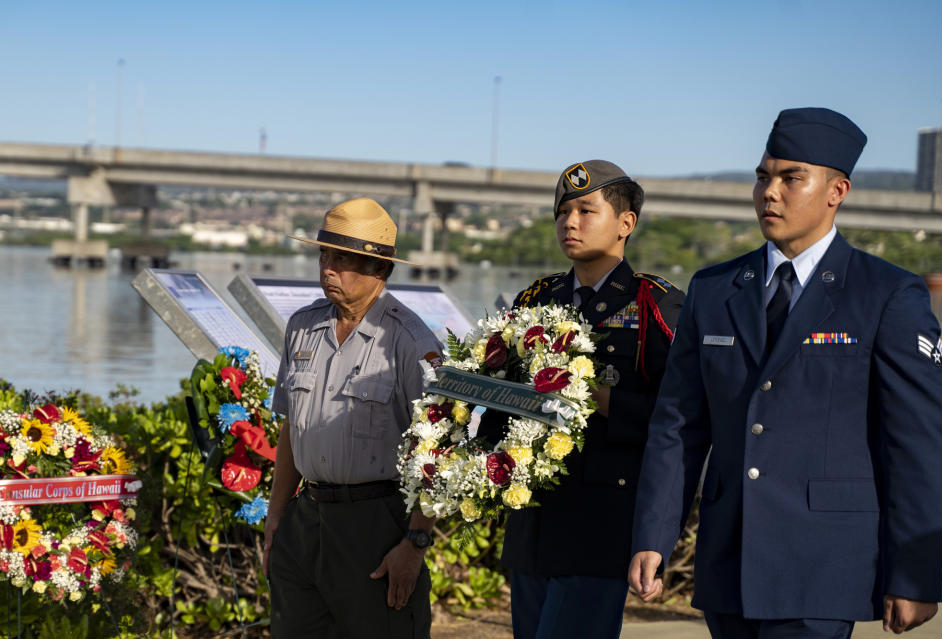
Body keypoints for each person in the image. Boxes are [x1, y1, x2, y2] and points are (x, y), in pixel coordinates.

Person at [628, 108, 942, 637]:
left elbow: (918, 443)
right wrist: (653, 535)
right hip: (729, 559)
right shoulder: (714, 290)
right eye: (762, 177)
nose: (769, 192)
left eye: (790, 177)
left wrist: (914, 574)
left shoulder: (886, 293)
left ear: (837, 191)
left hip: (823, 565)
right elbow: (679, 425)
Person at [478, 160, 685, 639]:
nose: (569, 222)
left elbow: (676, 418)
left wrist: (594, 396)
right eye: (562, 211)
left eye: (586, 210)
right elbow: (505, 403)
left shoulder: (654, 303)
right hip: (533, 524)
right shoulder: (536, 300)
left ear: (625, 224)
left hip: (601, 524)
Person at [264, 197, 442, 638]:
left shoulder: (409, 341)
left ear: (379, 269)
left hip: (376, 525)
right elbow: (292, 427)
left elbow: (441, 448)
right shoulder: (302, 327)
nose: (327, 267)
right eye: (324, 254)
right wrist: (276, 523)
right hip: (306, 521)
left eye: (343, 259)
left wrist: (415, 543)